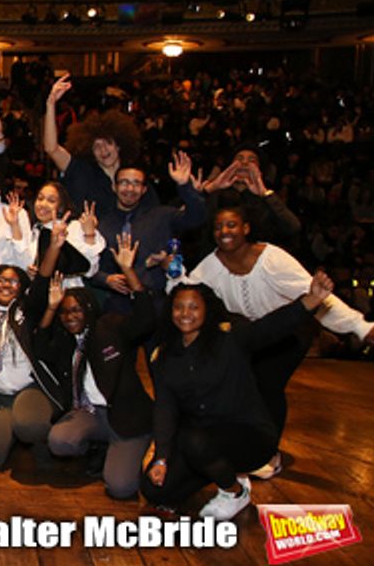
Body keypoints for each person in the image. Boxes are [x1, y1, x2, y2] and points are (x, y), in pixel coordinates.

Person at [174, 206, 374, 477]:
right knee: (245, 384)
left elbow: (317, 295)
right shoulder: (211, 266)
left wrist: (360, 327)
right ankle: (248, 445)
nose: (224, 232)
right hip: (253, 336)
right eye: (219, 227)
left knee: (268, 383)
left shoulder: (273, 259)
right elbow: (187, 291)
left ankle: (267, 453)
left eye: (231, 225)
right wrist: (169, 270)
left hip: (290, 332)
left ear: (246, 228)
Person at [140, 274, 334, 520]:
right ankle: (224, 471)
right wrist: (162, 458)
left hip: (249, 436)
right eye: (178, 307)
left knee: (194, 441)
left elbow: (269, 328)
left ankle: (234, 491)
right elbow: (165, 409)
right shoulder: (165, 356)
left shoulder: (229, 338)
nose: (184, 313)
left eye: (193, 307)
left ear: (207, 310)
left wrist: (310, 300)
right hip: (203, 445)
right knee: (154, 489)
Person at [41, 233, 155, 499]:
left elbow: (147, 319)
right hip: (92, 414)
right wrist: (51, 307)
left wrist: (128, 270)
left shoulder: (110, 328)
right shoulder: (67, 341)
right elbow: (42, 345)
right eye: (65, 312)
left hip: (127, 419)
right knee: (60, 440)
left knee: (121, 488)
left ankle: (128, 451)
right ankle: (99, 447)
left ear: (90, 309)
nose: (70, 317)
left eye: (77, 310)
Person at [0, 214, 69, 473]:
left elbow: (43, 280)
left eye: (13, 281)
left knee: (29, 425)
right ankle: (9, 431)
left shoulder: (28, 312)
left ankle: (40, 441)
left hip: (29, 389)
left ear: (22, 288)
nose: (6, 284)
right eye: (0, 279)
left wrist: (54, 246)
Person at [92, 154, 206, 314]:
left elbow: (197, 218)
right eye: (124, 182)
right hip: (118, 307)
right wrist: (105, 279)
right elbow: (89, 267)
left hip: (157, 305)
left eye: (136, 183)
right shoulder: (101, 224)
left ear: (144, 189)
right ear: (114, 187)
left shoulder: (162, 216)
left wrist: (184, 186)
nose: (130, 189)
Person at [43, 74, 153, 212]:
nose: (103, 150)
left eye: (108, 143)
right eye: (96, 146)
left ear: (118, 145)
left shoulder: (135, 176)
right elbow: (51, 148)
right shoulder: (82, 171)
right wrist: (51, 103)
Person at [28, 182, 104, 288]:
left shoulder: (73, 227)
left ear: (61, 206)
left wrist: (89, 234)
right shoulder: (33, 230)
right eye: (40, 198)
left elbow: (91, 270)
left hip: (68, 293)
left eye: (51, 201)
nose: (43, 204)